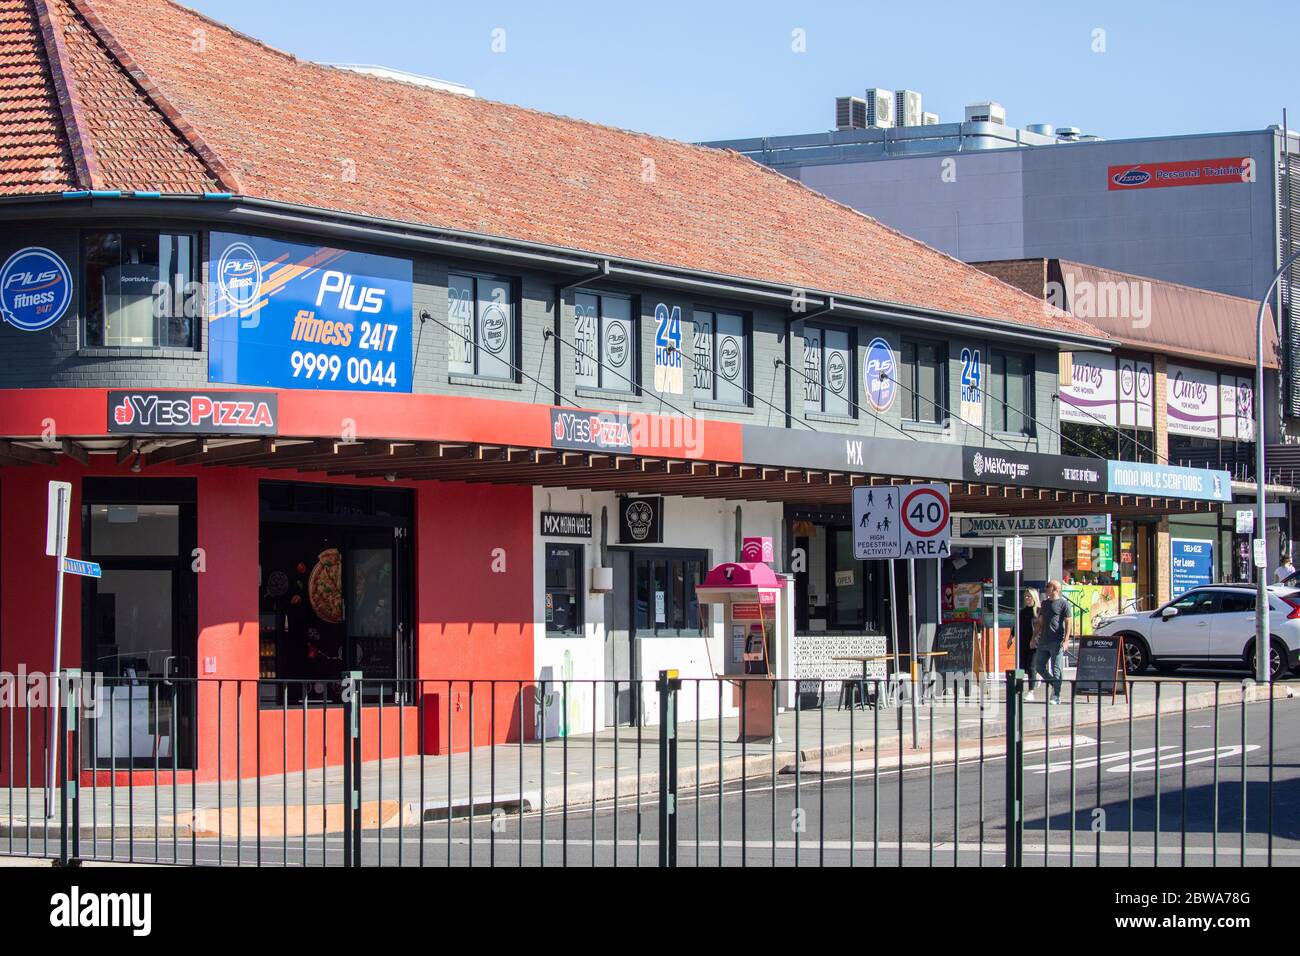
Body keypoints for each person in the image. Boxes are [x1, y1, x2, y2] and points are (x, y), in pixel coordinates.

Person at [1027, 579, 1071, 703]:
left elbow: (1069, 622)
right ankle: (1055, 684)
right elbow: (1040, 622)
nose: (1046, 588)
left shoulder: (1063, 604)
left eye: (1048, 586)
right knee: (1039, 667)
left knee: (1056, 668)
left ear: (1055, 589)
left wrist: (1066, 640)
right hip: (1043, 641)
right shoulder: (1045, 603)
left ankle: (1056, 695)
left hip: (1056, 641)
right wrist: (1033, 637)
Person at [1018, 589, 1041, 674]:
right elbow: (1017, 625)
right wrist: (1011, 637)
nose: (1027, 598)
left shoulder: (1039, 611)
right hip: (1023, 641)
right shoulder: (1022, 611)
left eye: (1029, 596)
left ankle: (1032, 686)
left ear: (1034, 597)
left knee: (1031, 667)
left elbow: (1041, 627)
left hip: (1034, 642)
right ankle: (1019, 686)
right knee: (1020, 667)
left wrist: (1035, 639)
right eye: (1026, 596)